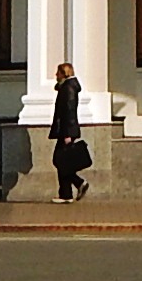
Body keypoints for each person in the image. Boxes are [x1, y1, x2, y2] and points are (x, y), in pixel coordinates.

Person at [49, 61, 91, 203]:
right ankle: (66, 194)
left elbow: (69, 111)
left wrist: (67, 133)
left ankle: (78, 183)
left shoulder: (68, 89)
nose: (56, 75)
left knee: (58, 160)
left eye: (58, 72)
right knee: (62, 161)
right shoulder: (66, 87)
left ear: (64, 73)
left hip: (66, 131)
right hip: (66, 130)